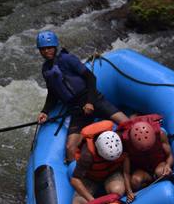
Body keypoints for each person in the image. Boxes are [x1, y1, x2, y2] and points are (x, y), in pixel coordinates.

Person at [36, 30, 127, 162]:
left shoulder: (67, 59)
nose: (46, 51)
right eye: (42, 49)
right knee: (70, 148)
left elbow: (91, 78)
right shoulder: (46, 70)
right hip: (76, 110)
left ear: (55, 47)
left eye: (49, 48)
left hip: (93, 99)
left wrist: (90, 102)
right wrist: (45, 111)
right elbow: (52, 93)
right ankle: (78, 176)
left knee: (125, 122)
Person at [71, 120, 131, 204]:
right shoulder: (87, 155)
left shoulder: (118, 139)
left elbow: (125, 158)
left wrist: (129, 189)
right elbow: (75, 180)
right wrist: (94, 201)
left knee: (117, 191)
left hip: (111, 173)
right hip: (91, 178)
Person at [118, 114, 174, 191]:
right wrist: (129, 191)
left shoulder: (160, 134)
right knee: (135, 181)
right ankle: (148, 185)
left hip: (158, 164)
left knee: (161, 173)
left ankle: (156, 179)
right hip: (142, 169)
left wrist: (168, 166)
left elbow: (169, 155)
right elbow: (126, 172)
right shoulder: (127, 143)